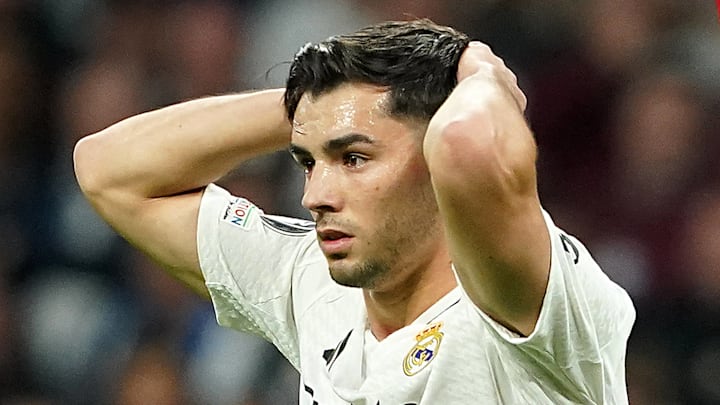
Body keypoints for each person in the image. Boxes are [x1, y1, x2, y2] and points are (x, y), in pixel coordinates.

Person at [73, 19, 635, 404]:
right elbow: (108, 171)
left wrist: (481, 73)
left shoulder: (533, 299)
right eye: (308, 162)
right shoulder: (312, 280)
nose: (315, 195)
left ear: (433, 161)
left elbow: (467, 144)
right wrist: (313, 108)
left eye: (353, 158)